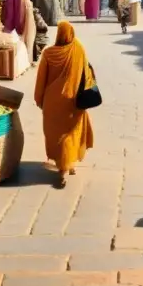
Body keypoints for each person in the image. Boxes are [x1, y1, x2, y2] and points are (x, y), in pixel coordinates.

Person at [34, 22, 95, 188]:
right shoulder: (79, 49)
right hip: (73, 102)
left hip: (52, 103)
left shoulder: (48, 54)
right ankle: (68, 164)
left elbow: (41, 80)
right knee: (71, 133)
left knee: (56, 135)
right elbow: (86, 75)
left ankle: (63, 167)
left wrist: (39, 99)